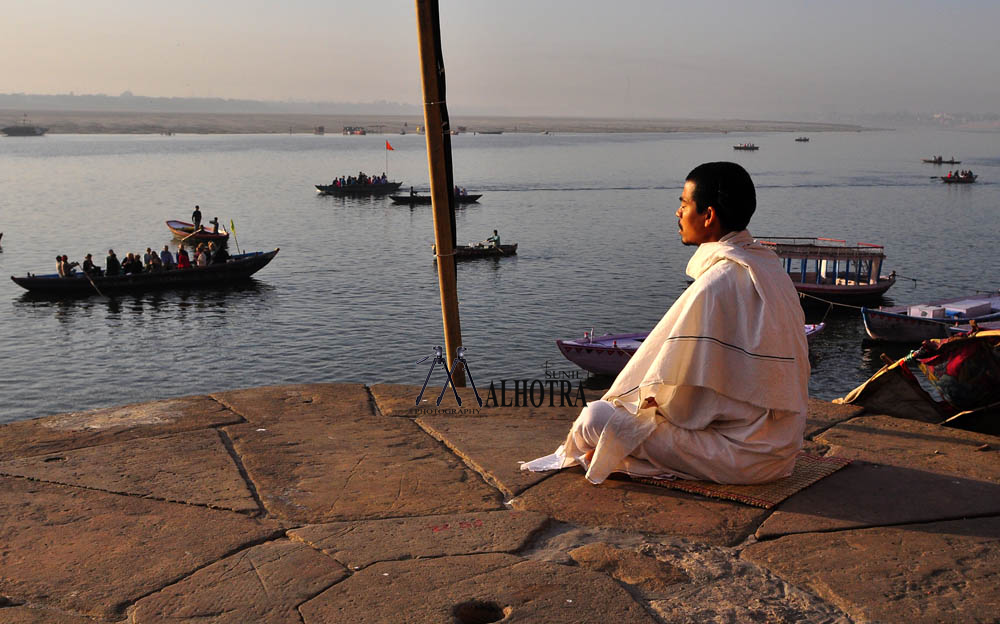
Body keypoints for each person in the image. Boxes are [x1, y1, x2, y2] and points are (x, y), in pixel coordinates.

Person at [522, 162, 810, 485]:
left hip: (741, 456)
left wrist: (642, 408)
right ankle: (628, 456)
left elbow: (684, 410)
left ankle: (623, 457)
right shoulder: (770, 268)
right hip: (781, 450)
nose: (678, 213)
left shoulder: (716, 284)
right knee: (622, 419)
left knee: (595, 419)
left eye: (684, 205)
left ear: (709, 216)